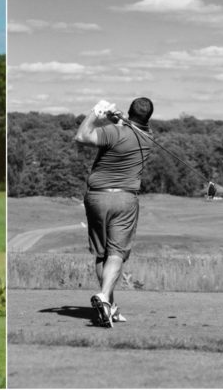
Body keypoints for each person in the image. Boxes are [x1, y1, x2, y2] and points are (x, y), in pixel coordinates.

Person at [73, 97, 153, 328]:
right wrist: (118, 119)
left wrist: (96, 113)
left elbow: (81, 136)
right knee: (116, 253)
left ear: (128, 112)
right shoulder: (147, 138)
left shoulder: (113, 133)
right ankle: (105, 298)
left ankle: (108, 305)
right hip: (125, 199)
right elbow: (133, 125)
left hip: (97, 197)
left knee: (102, 254)